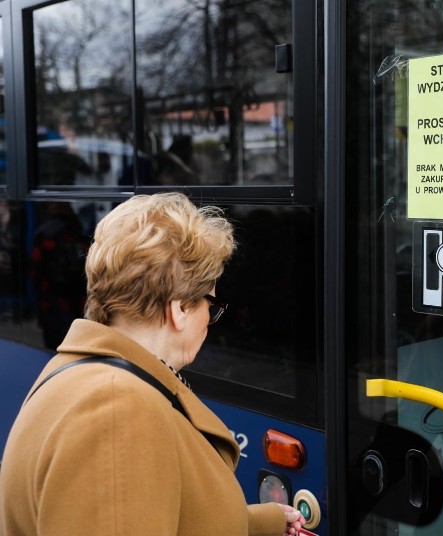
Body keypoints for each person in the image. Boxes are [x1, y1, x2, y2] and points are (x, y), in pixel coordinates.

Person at [0, 192, 305, 536]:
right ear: (180, 308)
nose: (209, 321)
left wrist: (261, 523)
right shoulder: (118, 412)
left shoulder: (84, 373)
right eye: (212, 306)